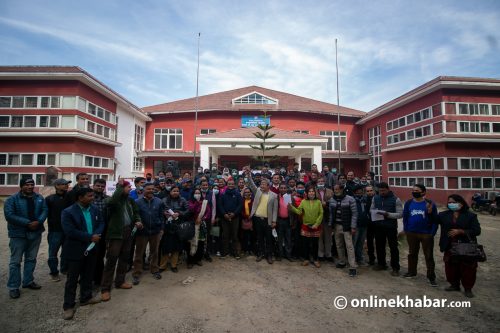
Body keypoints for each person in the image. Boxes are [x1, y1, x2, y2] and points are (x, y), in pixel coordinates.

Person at [61, 187, 105, 320]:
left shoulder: (94, 209)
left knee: (88, 274)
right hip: (76, 249)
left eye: (93, 196)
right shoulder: (68, 212)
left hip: (92, 248)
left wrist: (97, 234)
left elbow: (101, 222)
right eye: (90, 196)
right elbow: (69, 231)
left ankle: (86, 297)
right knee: (72, 279)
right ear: (80, 198)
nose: (93, 198)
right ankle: (68, 306)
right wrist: (89, 237)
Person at [4, 178, 48, 299]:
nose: (30, 187)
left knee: (31, 259)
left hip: (35, 233)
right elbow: (9, 215)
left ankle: (28, 281)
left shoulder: (39, 198)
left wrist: (38, 222)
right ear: (21, 186)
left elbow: (45, 210)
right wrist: (28, 223)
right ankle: (13, 287)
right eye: (27, 185)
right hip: (18, 234)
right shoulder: (12, 199)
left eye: (32, 184)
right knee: (15, 262)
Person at [101, 180, 142, 302]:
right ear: (121, 188)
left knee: (124, 258)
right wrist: (119, 187)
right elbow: (112, 201)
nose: (131, 189)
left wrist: (138, 220)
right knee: (111, 260)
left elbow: (136, 212)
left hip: (128, 232)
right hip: (116, 234)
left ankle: (120, 281)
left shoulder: (130, 201)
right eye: (128, 187)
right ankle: (105, 288)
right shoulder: (112, 200)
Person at [438, 194, 481, 298]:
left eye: (453, 202)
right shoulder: (444, 214)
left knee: (468, 268)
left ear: (461, 203)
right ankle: (454, 285)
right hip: (449, 245)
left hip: (465, 246)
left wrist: (461, 231)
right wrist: (429, 213)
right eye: (449, 202)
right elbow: (433, 221)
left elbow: (477, 231)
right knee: (451, 267)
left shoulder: (470, 216)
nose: (451, 204)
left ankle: (468, 288)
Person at [402, 184, 439, 287]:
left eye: (417, 190)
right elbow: (405, 217)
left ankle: (431, 277)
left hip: (426, 234)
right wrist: (406, 229)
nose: (414, 192)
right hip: (411, 233)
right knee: (412, 253)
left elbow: (435, 220)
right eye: (413, 190)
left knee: (428, 256)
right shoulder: (409, 203)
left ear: (423, 192)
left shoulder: (430, 203)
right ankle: (412, 272)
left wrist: (432, 233)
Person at [133, 182, 165, 285]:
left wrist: (161, 228)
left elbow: (161, 216)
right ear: (143, 190)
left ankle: (154, 270)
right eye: (148, 189)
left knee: (154, 252)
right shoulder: (137, 202)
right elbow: (135, 216)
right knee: (139, 254)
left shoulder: (159, 202)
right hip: (142, 232)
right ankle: (136, 273)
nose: (151, 191)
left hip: (155, 232)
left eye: (152, 189)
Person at [245, 168, 278, 264]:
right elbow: (251, 184)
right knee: (259, 238)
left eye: (263, 184)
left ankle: (269, 255)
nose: (261, 185)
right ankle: (261, 254)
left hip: (268, 220)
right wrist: (249, 175)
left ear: (268, 186)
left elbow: (275, 209)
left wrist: (274, 221)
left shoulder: (274, 195)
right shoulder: (258, 191)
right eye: (261, 184)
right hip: (257, 219)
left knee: (269, 239)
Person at [370, 182, 403, 276]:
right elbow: (371, 209)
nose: (382, 192)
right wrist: (374, 212)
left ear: (388, 189)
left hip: (390, 227)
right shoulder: (375, 198)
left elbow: (400, 214)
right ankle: (381, 264)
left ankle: (395, 268)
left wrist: (388, 214)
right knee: (379, 246)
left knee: (393, 247)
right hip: (378, 226)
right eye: (380, 191)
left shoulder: (396, 199)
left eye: (383, 190)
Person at [289, 185, 323, 268]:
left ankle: (315, 260)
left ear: (315, 193)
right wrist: (292, 208)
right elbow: (299, 212)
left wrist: (317, 224)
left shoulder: (318, 202)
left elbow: (321, 213)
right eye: (310, 192)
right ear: (307, 193)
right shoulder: (303, 201)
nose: (311, 193)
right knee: (305, 244)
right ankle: (306, 259)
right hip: (305, 226)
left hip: (316, 227)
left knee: (315, 244)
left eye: (313, 191)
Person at [45, 178, 72, 281]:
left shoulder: (70, 198)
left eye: (67, 184)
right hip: (55, 230)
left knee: (66, 252)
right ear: (57, 186)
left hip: (68, 230)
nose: (66, 186)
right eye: (63, 184)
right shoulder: (49, 199)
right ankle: (54, 272)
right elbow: (45, 213)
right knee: (53, 253)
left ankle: (64, 269)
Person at [160, 186, 191, 272]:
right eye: (174, 191)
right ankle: (163, 266)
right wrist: (164, 213)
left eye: (177, 191)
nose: (176, 192)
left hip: (178, 225)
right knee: (166, 246)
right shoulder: (164, 200)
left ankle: (174, 265)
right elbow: (160, 210)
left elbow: (188, 210)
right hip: (167, 225)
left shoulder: (183, 200)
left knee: (176, 247)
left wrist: (179, 213)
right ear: (170, 192)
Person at [330, 184, 358, 276]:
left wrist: (353, 226)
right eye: (335, 189)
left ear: (342, 189)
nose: (336, 191)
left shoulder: (350, 199)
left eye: (337, 189)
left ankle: (353, 266)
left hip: (347, 226)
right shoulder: (332, 200)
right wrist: (331, 225)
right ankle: (342, 261)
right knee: (339, 245)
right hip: (337, 226)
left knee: (349, 246)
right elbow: (331, 214)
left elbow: (354, 214)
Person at [217, 178, 243, 258]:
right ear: (226, 185)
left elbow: (240, 205)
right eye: (229, 184)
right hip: (225, 217)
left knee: (234, 235)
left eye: (232, 184)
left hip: (235, 217)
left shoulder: (237, 193)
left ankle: (235, 253)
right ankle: (225, 252)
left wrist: (234, 214)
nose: (230, 185)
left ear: (234, 185)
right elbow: (220, 205)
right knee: (225, 235)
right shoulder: (223, 194)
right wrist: (224, 214)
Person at [91, 178, 109, 287]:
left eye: (102, 186)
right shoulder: (89, 197)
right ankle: (88, 277)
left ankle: (99, 278)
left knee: (101, 255)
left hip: (104, 230)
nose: (100, 188)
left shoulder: (107, 199)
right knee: (90, 255)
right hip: (90, 230)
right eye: (98, 186)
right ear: (94, 186)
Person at [187, 188, 211, 268]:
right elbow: (191, 210)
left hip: (201, 224)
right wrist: (197, 203)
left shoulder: (204, 202)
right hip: (192, 225)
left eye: (199, 193)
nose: (197, 195)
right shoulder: (190, 202)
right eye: (195, 193)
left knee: (200, 243)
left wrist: (202, 219)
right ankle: (190, 260)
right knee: (191, 242)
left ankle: (198, 259)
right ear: (193, 194)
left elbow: (208, 212)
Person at [316, 177, 334, 262]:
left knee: (328, 236)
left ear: (325, 182)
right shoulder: (314, 191)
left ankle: (328, 254)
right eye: (319, 181)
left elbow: (334, 203)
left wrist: (326, 204)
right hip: (317, 216)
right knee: (319, 236)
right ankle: (320, 254)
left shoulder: (330, 191)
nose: (320, 182)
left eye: (322, 181)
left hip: (328, 216)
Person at [352, 185, 370, 266]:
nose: (359, 193)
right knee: (354, 243)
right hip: (356, 225)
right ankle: (353, 260)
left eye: (361, 192)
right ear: (355, 193)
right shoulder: (352, 201)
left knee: (361, 243)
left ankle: (360, 258)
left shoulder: (364, 200)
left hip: (364, 224)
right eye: (357, 192)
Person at [277, 183, 293, 261]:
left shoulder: (289, 197)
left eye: (284, 188)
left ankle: (288, 255)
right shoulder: (277, 197)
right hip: (279, 220)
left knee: (288, 239)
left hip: (288, 220)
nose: (283, 189)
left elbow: (293, 209)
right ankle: (280, 255)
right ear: (279, 189)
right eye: (281, 188)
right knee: (280, 239)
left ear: (287, 189)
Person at [365, 185, 377, 265]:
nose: (369, 192)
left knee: (379, 242)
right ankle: (371, 258)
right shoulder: (364, 200)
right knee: (369, 242)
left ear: (374, 191)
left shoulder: (378, 199)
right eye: (367, 191)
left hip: (378, 223)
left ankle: (381, 260)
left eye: (371, 190)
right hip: (369, 224)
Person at [240, 187, 254, 255]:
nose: (247, 193)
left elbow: (254, 209)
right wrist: (246, 216)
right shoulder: (242, 200)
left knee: (252, 236)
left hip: (252, 220)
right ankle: (244, 249)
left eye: (248, 192)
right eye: (245, 192)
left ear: (251, 193)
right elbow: (241, 210)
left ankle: (251, 249)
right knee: (244, 236)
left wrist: (251, 217)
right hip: (244, 220)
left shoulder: (253, 200)